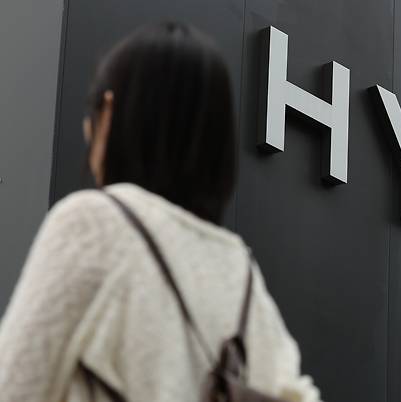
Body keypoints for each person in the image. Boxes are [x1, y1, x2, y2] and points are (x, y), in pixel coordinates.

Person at [0, 21, 320, 402]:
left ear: (109, 111)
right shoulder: (241, 272)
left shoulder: (93, 224)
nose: (87, 129)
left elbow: (14, 384)